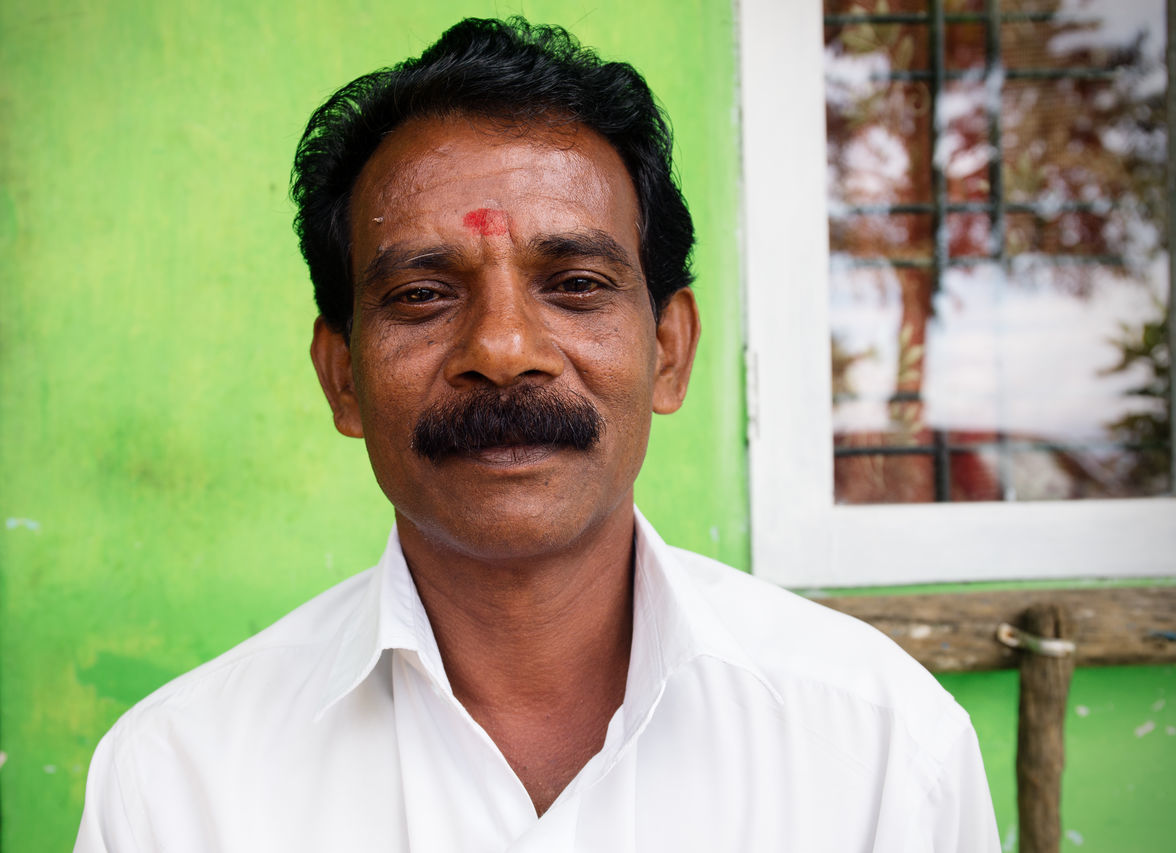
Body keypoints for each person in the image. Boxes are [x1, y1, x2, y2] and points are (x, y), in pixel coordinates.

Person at [74, 17, 1000, 852]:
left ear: (670, 352)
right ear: (341, 376)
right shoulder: (176, 784)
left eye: (577, 285)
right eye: (423, 295)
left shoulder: (882, 749)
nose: (504, 349)